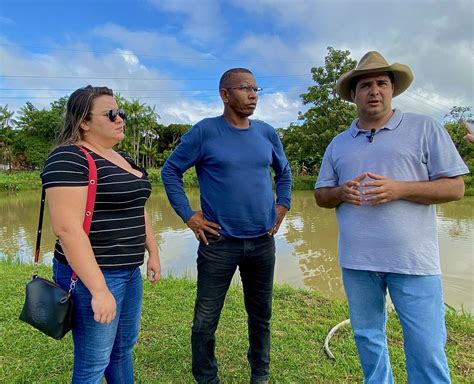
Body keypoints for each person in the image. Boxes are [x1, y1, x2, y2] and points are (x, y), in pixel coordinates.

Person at [314, 51, 468, 383]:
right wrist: (341, 193)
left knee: (426, 348)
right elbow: (320, 195)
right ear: (353, 95)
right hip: (357, 263)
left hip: (415, 263)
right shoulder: (339, 144)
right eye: (365, 85)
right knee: (368, 339)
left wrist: (399, 189)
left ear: (392, 89)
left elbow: (455, 188)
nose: (374, 91)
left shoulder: (425, 128)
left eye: (382, 83)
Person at [161, 68, 292, 384]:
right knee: (205, 320)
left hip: (262, 242)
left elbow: (284, 173)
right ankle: (207, 378)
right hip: (219, 243)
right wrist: (189, 215)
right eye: (245, 88)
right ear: (224, 94)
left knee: (261, 316)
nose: (252, 95)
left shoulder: (266, 133)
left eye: (256, 89)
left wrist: (283, 205)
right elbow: (170, 171)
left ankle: (259, 374)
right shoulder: (205, 132)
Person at [41, 85, 161, 383]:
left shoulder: (123, 160)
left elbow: (139, 209)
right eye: (111, 114)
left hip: (128, 272)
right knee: (94, 363)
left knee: (122, 350)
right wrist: (98, 290)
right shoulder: (69, 158)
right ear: (84, 121)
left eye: (120, 113)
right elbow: (67, 230)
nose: (120, 118)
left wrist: (153, 252)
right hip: (93, 275)